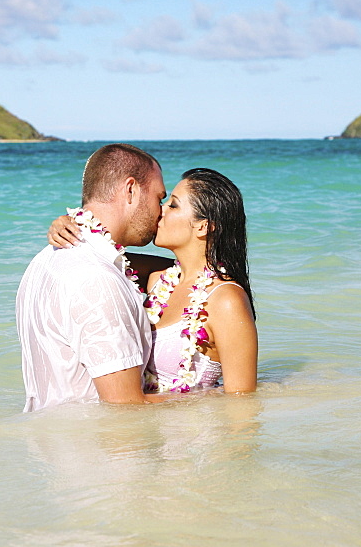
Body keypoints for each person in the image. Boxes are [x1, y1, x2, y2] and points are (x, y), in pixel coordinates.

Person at [49, 168, 258, 395]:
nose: (160, 211)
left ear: (203, 226)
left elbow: (242, 404)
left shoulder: (226, 300)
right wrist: (71, 226)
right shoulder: (159, 279)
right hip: (146, 427)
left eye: (173, 205)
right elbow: (96, 258)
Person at [16, 143, 168, 412]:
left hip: (53, 447)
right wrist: (221, 398)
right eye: (159, 198)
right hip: (98, 451)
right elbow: (126, 408)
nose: (161, 211)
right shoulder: (98, 279)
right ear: (131, 190)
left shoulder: (46, 258)